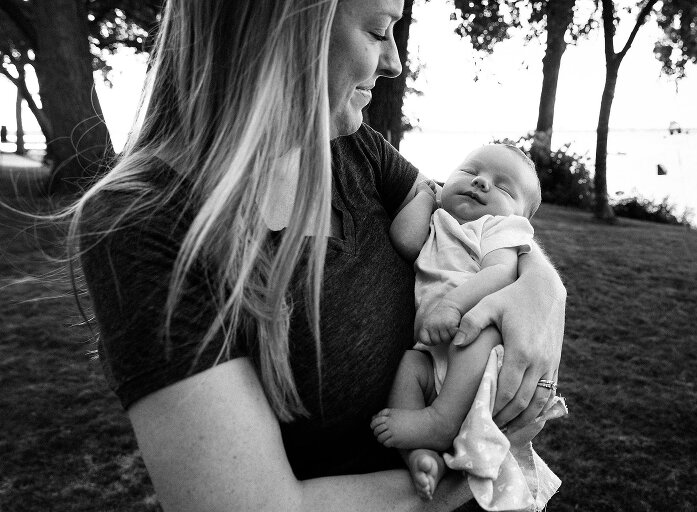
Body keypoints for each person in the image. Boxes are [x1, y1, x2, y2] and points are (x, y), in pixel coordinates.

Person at [71, 1, 566, 511]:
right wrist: (482, 464)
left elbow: (462, 217)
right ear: (285, 27)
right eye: (378, 31)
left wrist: (542, 283)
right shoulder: (148, 223)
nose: (394, 63)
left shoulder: (353, 146)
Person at [371, 144, 565, 502]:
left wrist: (452, 305)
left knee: (479, 332)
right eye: (470, 171)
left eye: (503, 187)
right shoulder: (439, 220)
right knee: (410, 367)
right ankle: (423, 457)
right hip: (436, 350)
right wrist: (426, 197)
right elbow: (406, 240)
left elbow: (500, 272)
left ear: (521, 218)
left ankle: (441, 421)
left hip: (475, 336)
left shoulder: (497, 227)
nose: (481, 182)